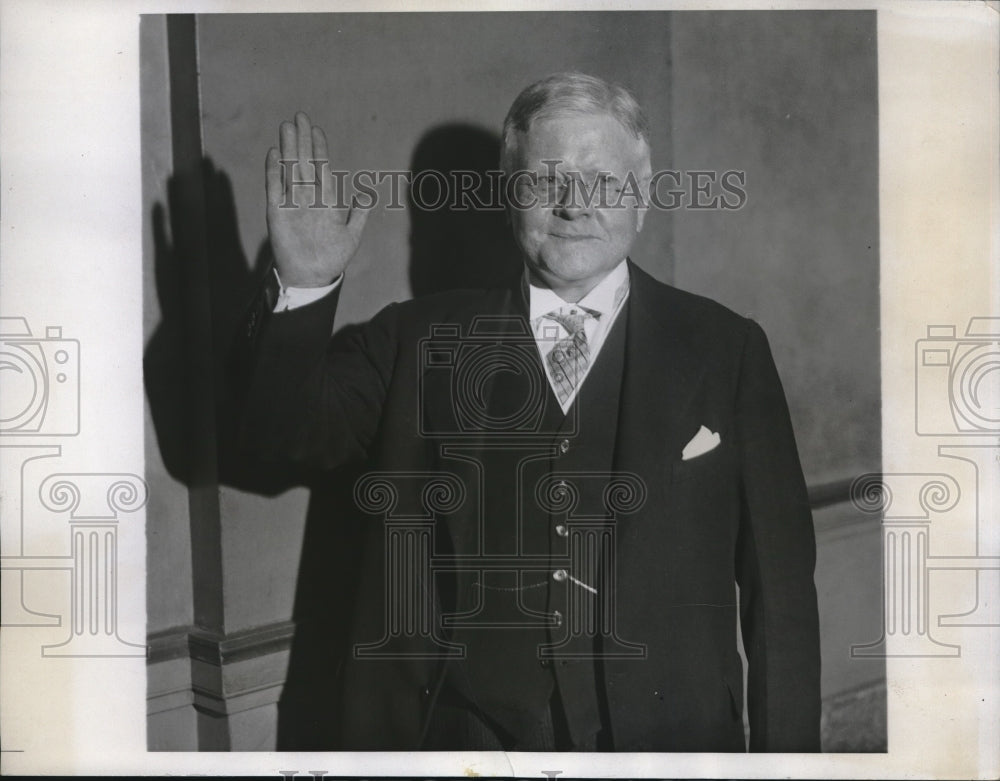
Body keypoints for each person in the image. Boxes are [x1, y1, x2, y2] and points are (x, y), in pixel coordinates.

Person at [239, 72, 821, 752]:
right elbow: (279, 441)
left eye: (601, 180)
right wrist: (307, 288)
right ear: (510, 195)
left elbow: (779, 599)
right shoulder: (413, 339)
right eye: (547, 180)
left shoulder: (728, 350)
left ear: (642, 196)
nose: (574, 206)